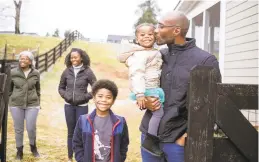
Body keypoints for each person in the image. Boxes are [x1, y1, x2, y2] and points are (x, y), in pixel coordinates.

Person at [120, 11, 220, 162]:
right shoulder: (158, 55)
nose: (155, 30)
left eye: (160, 26)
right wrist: (145, 99)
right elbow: (138, 80)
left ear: (176, 30)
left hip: (179, 140)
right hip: (149, 135)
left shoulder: (205, 60)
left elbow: (213, 104)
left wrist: (186, 136)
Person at [117, 23, 164, 156]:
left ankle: (152, 136)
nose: (146, 37)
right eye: (142, 35)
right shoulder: (139, 55)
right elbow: (136, 74)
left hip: (152, 85)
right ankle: (150, 139)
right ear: (137, 38)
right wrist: (140, 94)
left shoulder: (152, 52)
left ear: (154, 37)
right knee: (158, 113)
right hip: (146, 88)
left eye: (150, 34)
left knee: (156, 112)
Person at [72, 79, 129, 162]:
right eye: (100, 96)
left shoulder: (120, 122)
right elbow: (77, 143)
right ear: (94, 98)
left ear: (113, 100)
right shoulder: (83, 120)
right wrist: (81, 159)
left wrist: (120, 159)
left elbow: (124, 145)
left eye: (108, 97)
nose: (104, 100)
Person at [58, 48, 97, 162]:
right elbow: (61, 87)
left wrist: (85, 97)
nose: (73, 59)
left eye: (76, 57)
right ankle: (70, 156)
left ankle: (80, 156)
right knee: (70, 131)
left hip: (82, 106)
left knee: (80, 130)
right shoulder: (67, 71)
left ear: (81, 58)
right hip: (68, 105)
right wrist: (66, 96)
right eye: (71, 57)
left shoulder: (88, 71)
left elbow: (96, 87)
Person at [9, 51, 41, 160]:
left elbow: (38, 89)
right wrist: (11, 100)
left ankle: (33, 147)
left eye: (25, 59)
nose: (22, 60)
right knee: (18, 129)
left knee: (31, 128)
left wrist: (38, 102)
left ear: (30, 61)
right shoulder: (13, 72)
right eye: (21, 58)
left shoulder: (36, 73)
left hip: (32, 104)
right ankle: (19, 151)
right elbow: (9, 89)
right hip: (16, 104)